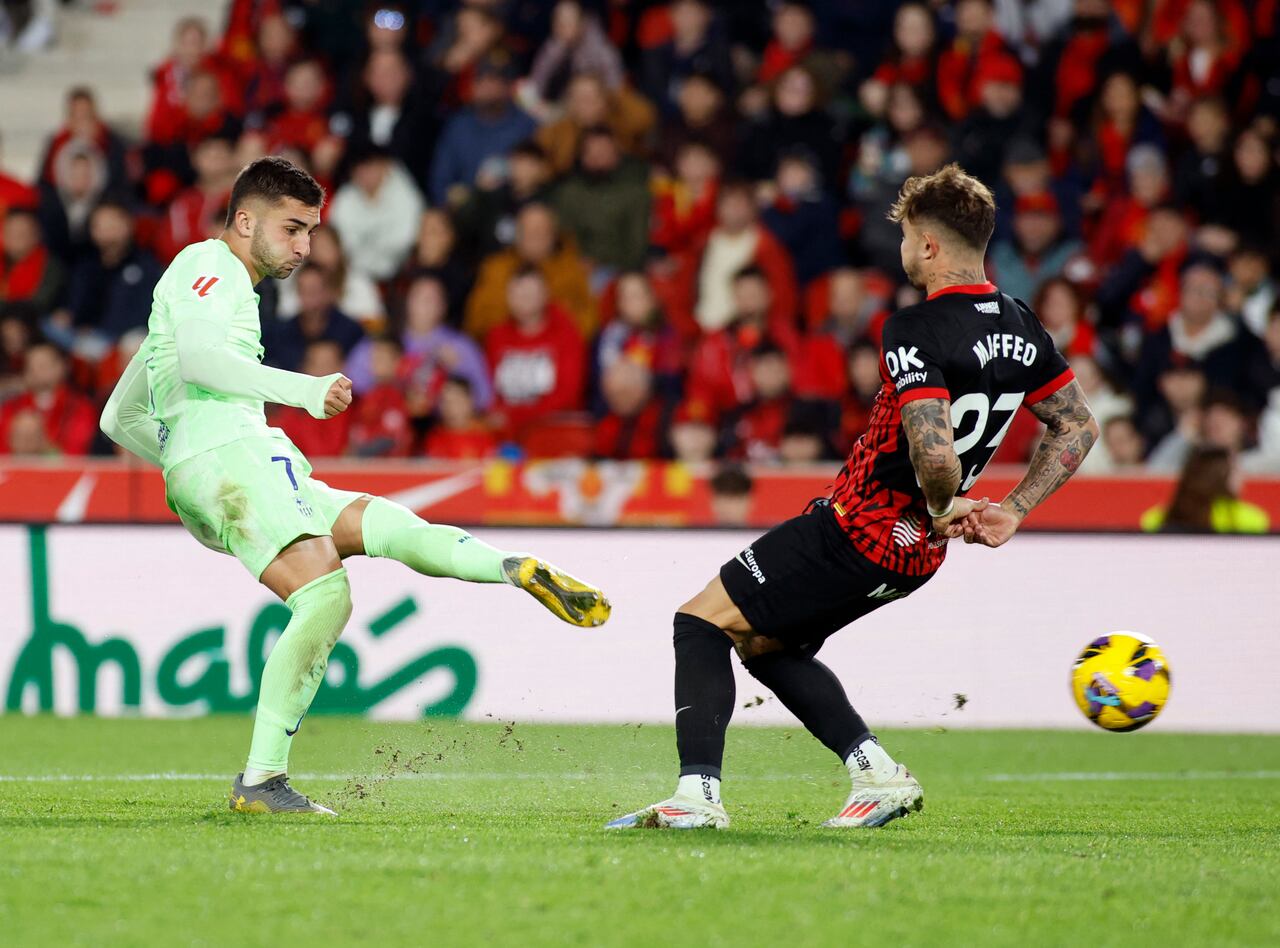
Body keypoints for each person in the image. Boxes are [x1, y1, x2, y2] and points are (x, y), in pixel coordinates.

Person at [99, 157, 611, 816]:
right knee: (325, 595)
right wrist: (301, 392)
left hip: (233, 457)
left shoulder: (200, 289)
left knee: (386, 525)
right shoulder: (211, 267)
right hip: (233, 456)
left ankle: (512, 568)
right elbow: (201, 362)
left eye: (310, 232)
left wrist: (179, 459)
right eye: (292, 229)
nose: (304, 246)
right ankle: (261, 781)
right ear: (245, 219)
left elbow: (120, 416)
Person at [608, 164, 1098, 831]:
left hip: (860, 529)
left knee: (700, 622)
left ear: (927, 246)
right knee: (766, 645)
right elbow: (1076, 424)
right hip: (918, 555)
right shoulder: (1021, 324)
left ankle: (697, 797)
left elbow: (932, 451)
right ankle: (878, 775)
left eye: (904, 236)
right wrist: (1011, 509)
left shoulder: (915, 329)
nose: (899, 249)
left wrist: (936, 503)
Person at [1140, 446, 1269, 533]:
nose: (1242, 476)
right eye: (1236, 470)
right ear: (1224, 477)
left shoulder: (1155, 518)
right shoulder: (1250, 519)